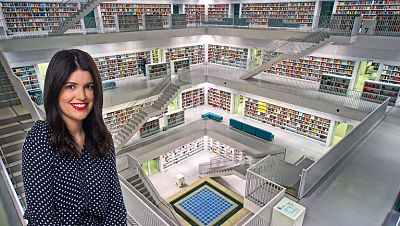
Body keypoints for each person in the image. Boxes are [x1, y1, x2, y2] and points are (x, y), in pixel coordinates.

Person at [22, 49, 127, 225]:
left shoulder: (102, 139)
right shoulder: (40, 139)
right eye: (71, 86)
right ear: (55, 90)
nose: (82, 96)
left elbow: (116, 207)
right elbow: (42, 219)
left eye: (89, 86)